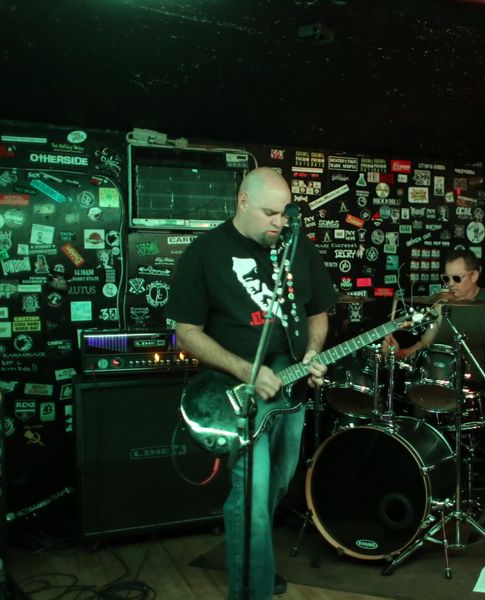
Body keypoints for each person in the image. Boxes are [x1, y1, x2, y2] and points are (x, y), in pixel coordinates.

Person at [167, 167, 337, 600]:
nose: (279, 223)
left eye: (284, 213)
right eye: (269, 213)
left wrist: (312, 352)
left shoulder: (298, 247)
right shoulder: (205, 253)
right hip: (240, 398)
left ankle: (252, 563)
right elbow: (185, 332)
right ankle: (251, 588)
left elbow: (318, 311)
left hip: (292, 394)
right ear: (242, 201)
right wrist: (248, 371)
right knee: (252, 495)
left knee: (276, 487)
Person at [384, 249, 485, 520]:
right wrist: (400, 353)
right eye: (446, 278)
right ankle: (422, 488)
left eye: (456, 278)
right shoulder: (442, 305)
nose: (449, 284)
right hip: (445, 386)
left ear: (474, 275)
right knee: (418, 403)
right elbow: (423, 344)